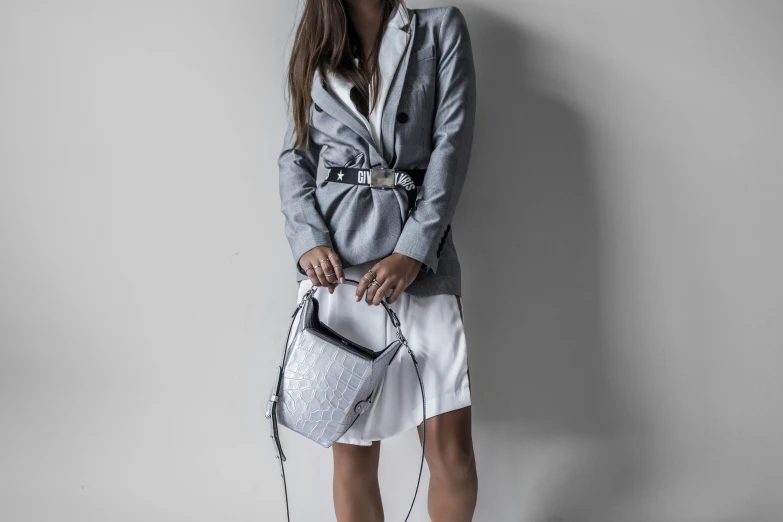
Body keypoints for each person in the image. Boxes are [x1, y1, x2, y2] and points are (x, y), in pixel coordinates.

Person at [277, 1, 478, 520]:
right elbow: (295, 155)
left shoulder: (439, 29)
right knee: (354, 456)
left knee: (450, 450)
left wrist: (412, 251)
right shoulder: (314, 45)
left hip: (422, 267)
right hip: (339, 275)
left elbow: (450, 147)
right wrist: (307, 240)